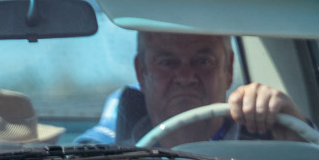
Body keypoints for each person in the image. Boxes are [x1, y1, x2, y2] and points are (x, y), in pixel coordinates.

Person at [81, 30, 301, 145]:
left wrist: (298, 137)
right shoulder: (107, 154)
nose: (186, 77)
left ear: (228, 69)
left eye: (203, 61)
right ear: (141, 72)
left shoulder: (268, 148)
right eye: (167, 63)